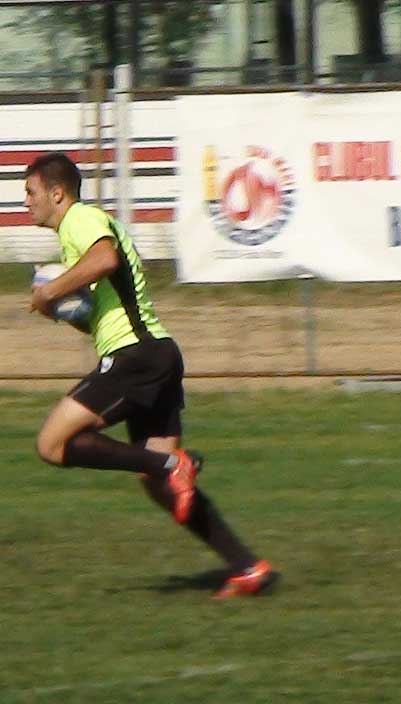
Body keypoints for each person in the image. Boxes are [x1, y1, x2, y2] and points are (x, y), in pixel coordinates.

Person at [25, 151, 277, 598]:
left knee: (52, 443)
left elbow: (105, 260)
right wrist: (61, 310)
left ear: (57, 193)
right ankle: (247, 566)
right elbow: (99, 306)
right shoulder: (79, 232)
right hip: (154, 354)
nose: (26, 202)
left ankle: (172, 463)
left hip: (135, 356)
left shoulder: (80, 220)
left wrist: (51, 290)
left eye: (30, 192)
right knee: (160, 488)